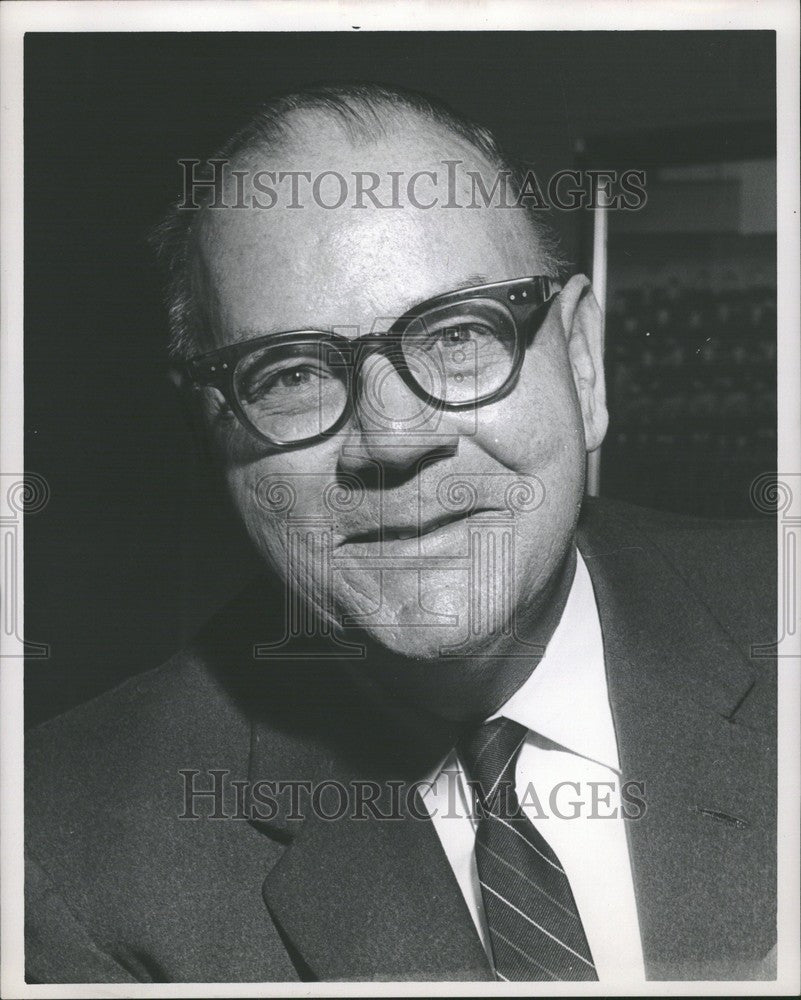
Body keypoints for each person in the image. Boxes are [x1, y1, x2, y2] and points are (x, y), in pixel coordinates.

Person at [25, 83, 776, 984]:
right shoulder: (65, 851)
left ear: (580, 363)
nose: (392, 438)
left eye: (458, 335)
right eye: (292, 371)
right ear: (210, 433)